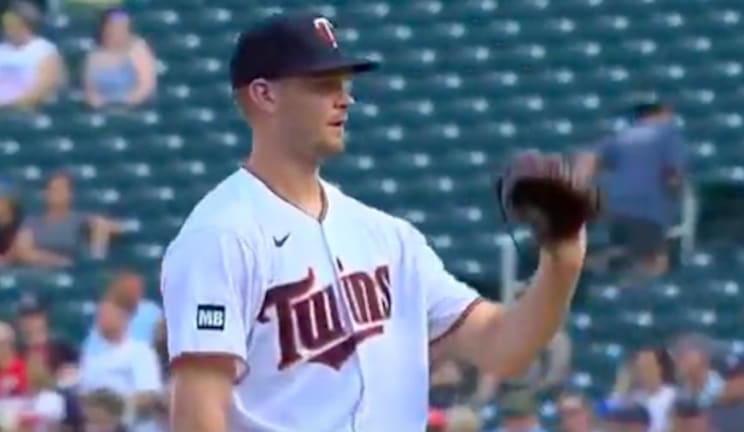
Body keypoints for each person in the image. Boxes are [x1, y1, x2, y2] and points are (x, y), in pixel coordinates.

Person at [161, 13, 589, 432]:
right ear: (264, 95)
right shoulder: (220, 236)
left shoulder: (389, 238)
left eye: (344, 83)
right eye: (322, 84)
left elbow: (503, 348)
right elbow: (199, 414)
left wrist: (563, 258)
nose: (344, 98)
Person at [579, 101, 684, 277]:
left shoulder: (622, 136)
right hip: (647, 206)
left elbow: (587, 162)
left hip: (615, 207)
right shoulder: (666, 134)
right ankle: (587, 270)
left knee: (626, 254)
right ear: (661, 113)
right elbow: (672, 175)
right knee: (654, 261)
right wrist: (675, 199)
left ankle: (593, 271)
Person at [14, 171, 122, 266]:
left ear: (70, 194)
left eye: (62, 189)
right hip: (38, 273)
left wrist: (97, 251)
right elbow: (23, 252)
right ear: (45, 194)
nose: (57, 193)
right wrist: (59, 261)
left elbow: (113, 227)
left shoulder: (80, 219)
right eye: (53, 189)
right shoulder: (32, 221)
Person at [0, 1, 63, 111]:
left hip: (21, 112)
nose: (8, 29)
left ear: (26, 25)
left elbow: (40, 90)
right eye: (6, 25)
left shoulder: (44, 51)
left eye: (13, 24)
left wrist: (5, 106)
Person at [83, 8, 156, 109]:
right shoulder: (94, 52)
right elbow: (89, 87)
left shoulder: (138, 49)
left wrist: (125, 104)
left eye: (122, 28)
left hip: (134, 108)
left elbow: (146, 86)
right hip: (101, 109)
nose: (118, 31)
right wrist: (97, 103)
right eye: (114, 27)